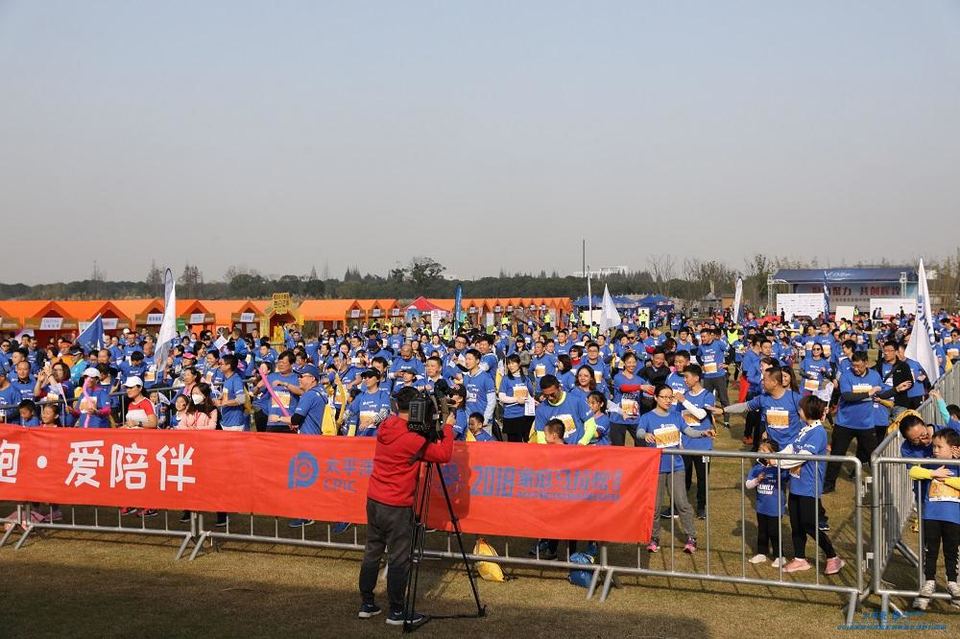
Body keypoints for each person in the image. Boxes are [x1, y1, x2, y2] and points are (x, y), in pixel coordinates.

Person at [357, 386, 454, 627]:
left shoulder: (387, 426)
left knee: (373, 551)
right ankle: (397, 611)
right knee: (399, 557)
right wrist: (449, 426)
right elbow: (443, 454)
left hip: (375, 498)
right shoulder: (412, 439)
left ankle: (367, 603)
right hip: (397, 503)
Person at [638, 384, 714, 554]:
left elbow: (689, 432)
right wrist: (645, 435)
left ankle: (691, 537)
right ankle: (654, 537)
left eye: (670, 397)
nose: (668, 400)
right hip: (656, 468)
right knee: (655, 506)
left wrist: (703, 433)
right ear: (656, 398)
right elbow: (639, 432)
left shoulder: (676, 416)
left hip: (676, 467)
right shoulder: (647, 417)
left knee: (682, 503)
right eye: (664, 397)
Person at [777, 396, 844, 575]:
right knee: (796, 523)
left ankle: (833, 556)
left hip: (809, 486)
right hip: (796, 484)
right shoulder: (804, 429)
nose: (798, 411)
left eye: (801, 409)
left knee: (809, 524)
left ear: (808, 411)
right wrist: (775, 457)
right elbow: (791, 449)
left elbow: (802, 456)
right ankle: (800, 558)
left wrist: (778, 463)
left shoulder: (818, 432)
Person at [907, 429, 960, 610]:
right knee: (930, 551)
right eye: (934, 446)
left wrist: (946, 480)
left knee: (952, 551)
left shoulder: (958, 465)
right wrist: (932, 474)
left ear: (953, 449)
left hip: (953, 518)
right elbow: (912, 471)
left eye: (939, 447)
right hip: (931, 516)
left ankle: (952, 582)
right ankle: (928, 582)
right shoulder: (930, 464)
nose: (935, 450)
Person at [823, 352, 882, 494]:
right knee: (837, 454)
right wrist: (868, 393)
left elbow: (880, 392)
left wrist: (896, 390)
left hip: (866, 424)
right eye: (854, 366)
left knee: (874, 456)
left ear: (866, 363)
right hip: (844, 424)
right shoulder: (846, 376)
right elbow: (847, 396)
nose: (856, 369)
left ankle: (882, 482)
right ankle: (829, 484)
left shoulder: (875, 376)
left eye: (859, 366)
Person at [745, 440, 789, 566]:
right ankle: (761, 553)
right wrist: (757, 480)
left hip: (775, 507)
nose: (760, 453)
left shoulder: (780, 468)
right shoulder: (756, 468)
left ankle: (780, 556)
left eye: (764, 451)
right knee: (762, 530)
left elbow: (789, 477)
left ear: (773, 453)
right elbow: (748, 485)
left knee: (774, 531)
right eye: (760, 450)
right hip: (761, 506)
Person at [498, 354, 535, 443]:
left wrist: (533, 401)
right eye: (509, 363)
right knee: (514, 443)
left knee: (526, 441)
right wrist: (516, 400)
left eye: (513, 363)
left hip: (525, 415)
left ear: (519, 364)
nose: (510, 366)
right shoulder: (506, 379)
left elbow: (530, 394)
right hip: (511, 415)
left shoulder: (526, 379)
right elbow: (501, 397)